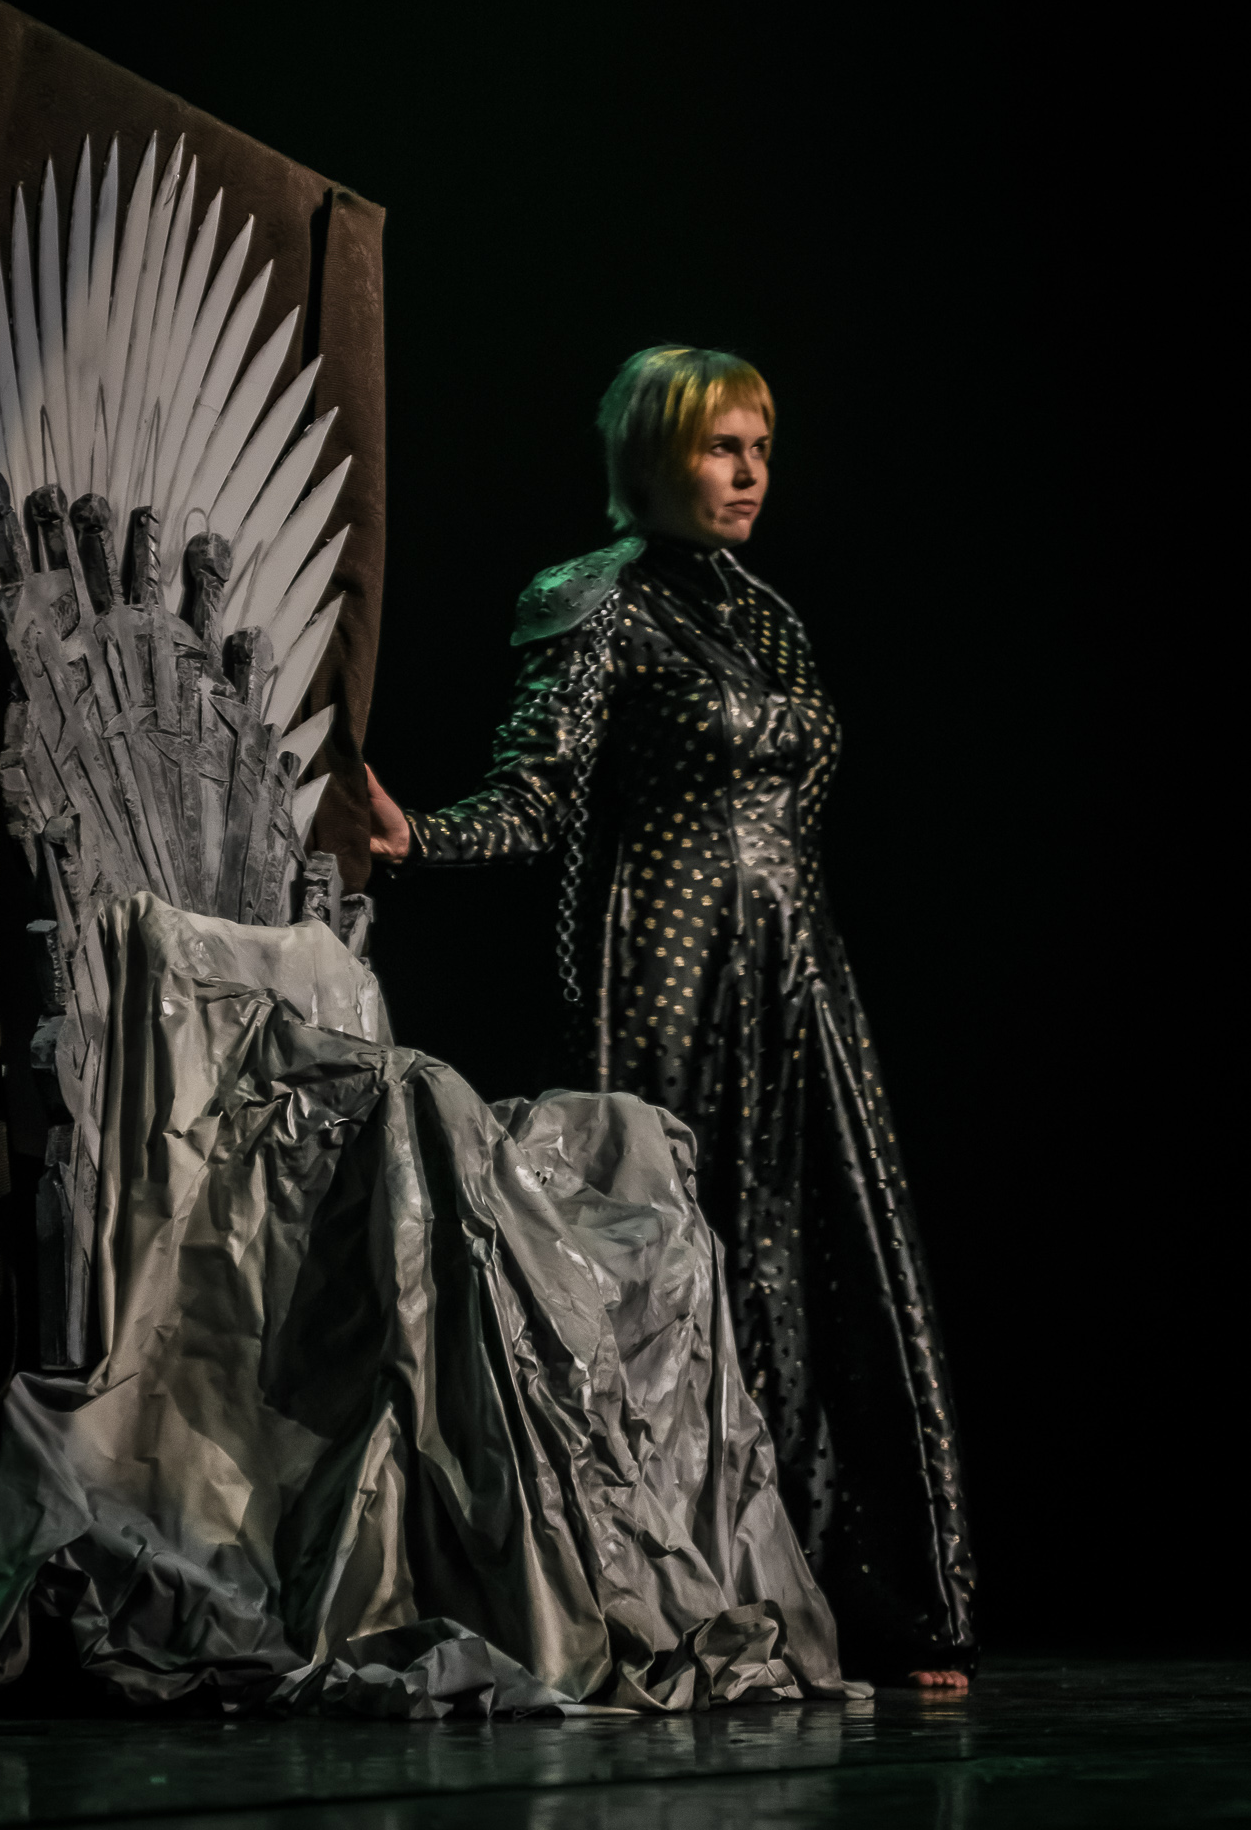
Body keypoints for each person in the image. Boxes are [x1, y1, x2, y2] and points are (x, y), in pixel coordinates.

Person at [368, 345, 976, 1688]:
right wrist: (422, 838)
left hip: (795, 976)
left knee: (817, 1265)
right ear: (652, 457)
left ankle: (855, 1600)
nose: (749, 474)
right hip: (665, 966)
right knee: (672, 1266)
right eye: (719, 448)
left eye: (760, 449)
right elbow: (539, 793)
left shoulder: (769, 614)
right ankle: (679, 1593)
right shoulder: (591, 601)